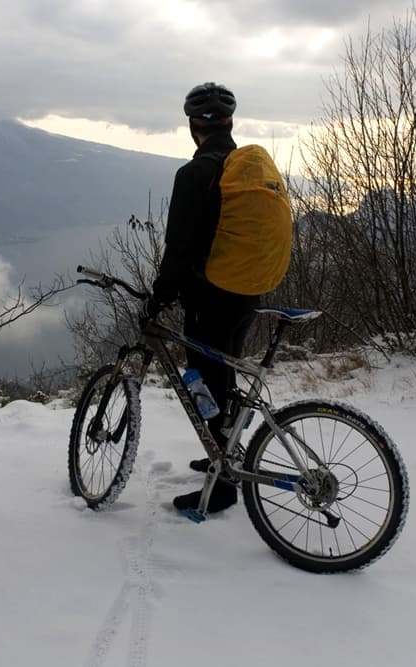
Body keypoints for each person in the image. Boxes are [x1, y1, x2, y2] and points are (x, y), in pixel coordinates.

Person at [145, 82, 272, 515]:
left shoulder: (194, 174)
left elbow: (178, 248)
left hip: (211, 296)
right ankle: (223, 453)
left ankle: (222, 485)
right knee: (224, 377)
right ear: (230, 123)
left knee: (203, 379)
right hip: (248, 291)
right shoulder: (244, 168)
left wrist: (158, 298)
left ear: (192, 127)